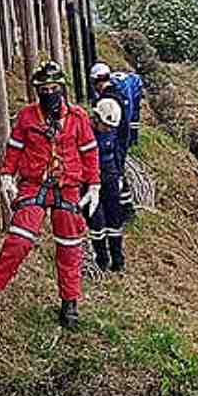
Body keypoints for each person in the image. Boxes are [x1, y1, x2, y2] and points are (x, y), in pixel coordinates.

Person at [0, 61, 100, 330]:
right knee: (18, 241)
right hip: (33, 185)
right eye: (43, 89)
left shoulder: (78, 118)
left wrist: (95, 185)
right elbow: (15, 148)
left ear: (62, 88)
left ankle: (70, 303)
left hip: (68, 188)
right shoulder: (27, 117)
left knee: (70, 248)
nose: (49, 93)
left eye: (54, 88)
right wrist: (6, 175)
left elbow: (89, 153)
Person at [90, 62, 144, 215]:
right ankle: (125, 207)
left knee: (116, 171)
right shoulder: (119, 91)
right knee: (118, 171)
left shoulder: (108, 102)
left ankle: (123, 209)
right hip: (121, 138)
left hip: (117, 141)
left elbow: (118, 128)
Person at [87, 97, 128, 272]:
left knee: (114, 219)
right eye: (105, 125)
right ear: (95, 118)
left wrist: (119, 177)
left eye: (111, 127)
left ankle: (117, 259)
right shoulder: (85, 131)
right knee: (97, 221)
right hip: (89, 178)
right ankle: (101, 259)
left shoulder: (112, 132)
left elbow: (118, 153)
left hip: (110, 175)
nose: (108, 129)